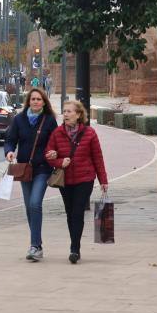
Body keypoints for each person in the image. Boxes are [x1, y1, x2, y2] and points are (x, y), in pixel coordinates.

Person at [45, 100, 109, 264]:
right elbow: (49, 155)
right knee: (69, 212)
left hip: (84, 179)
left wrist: (103, 180)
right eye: (64, 111)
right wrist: (58, 162)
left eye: (69, 111)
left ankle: (75, 248)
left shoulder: (90, 133)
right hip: (65, 180)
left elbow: (98, 158)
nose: (65, 114)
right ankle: (75, 245)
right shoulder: (57, 133)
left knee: (78, 212)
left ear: (79, 114)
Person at [4, 88, 58, 261]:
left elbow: (56, 142)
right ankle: (37, 245)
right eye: (33, 99)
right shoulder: (19, 119)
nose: (35, 102)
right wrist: (9, 152)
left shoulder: (49, 120)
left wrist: (54, 153)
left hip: (42, 169)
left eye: (39, 99)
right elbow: (10, 139)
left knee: (35, 204)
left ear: (44, 102)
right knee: (29, 207)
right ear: (29, 101)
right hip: (24, 169)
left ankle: (34, 245)